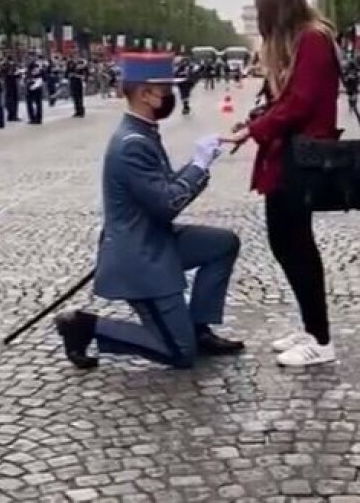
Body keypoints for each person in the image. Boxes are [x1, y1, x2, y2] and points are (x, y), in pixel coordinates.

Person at [54, 52, 244, 370]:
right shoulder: (132, 143)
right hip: (139, 257)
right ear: (145, 94)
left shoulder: (142, 132)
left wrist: (197, 162)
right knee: (179, 353)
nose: (172, 95)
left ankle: (198, 327)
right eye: (166, 89)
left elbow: (163, 186)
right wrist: (199, 165)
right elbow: (166, 204)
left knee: (223, 243)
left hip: (154, 240)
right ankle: (85, 326)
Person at [219, 0, 340, 367]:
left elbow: (300, 104)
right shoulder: (304, 41)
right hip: (288, 153)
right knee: (287, 242)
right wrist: (255, 123)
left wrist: (255, 129)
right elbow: (288, 101)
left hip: (299, 157)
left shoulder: (313, 41)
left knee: (294, 244)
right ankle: (311, 328)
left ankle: (321, 340)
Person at [25, 58, 46, 124]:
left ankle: (36, 118)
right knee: (33, 104)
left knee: (36, 104)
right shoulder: (29, 70)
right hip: (31, 88)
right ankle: (34, 118)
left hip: (35, 88)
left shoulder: (37, 70)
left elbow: (42, 79)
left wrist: (33, 85)